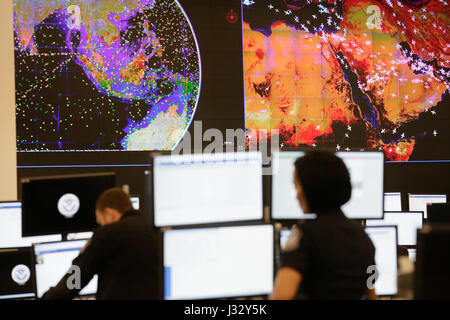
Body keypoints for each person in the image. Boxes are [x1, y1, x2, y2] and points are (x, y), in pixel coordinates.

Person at [270, 151, 377, 300]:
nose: (297, 195)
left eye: (298, 186)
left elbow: (281, 296)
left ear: (312, 188)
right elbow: (371, 292)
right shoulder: (363, 238)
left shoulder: (302, 236)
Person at [42, 188, 161, 300]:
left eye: (101, 221)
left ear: (109, 213)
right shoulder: (156, 230)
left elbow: (75, 280)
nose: (101, 226)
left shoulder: (106, 234)